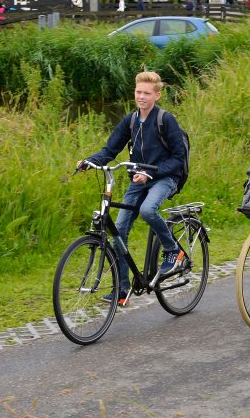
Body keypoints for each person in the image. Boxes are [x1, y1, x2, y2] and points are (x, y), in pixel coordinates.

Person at [76, 71, 188, 307]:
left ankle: (172, 250)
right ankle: (122, 290)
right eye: (138, 92)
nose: (141, 97)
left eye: (147, 93)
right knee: (118, 230)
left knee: (148, 210)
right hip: (137, 180)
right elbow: (110, 150)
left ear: (157, 95)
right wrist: (90, 161)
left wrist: (151, 171)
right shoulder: (131, 120)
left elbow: (179, 157)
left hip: (164, 177)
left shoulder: (165, 120)